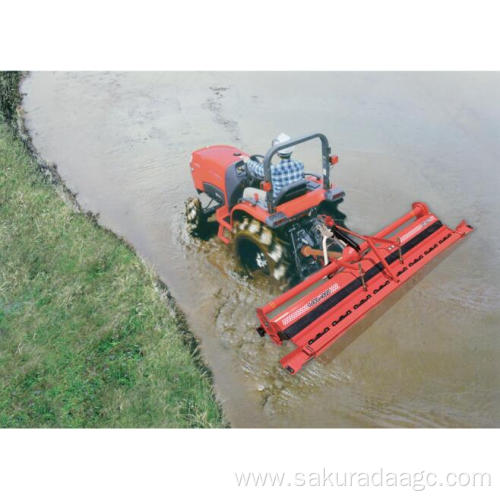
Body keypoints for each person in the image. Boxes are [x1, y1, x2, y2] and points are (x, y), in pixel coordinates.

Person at [241, 133, 305, 201]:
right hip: (294, 196)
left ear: (277, 153)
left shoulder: (273, 170)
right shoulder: (300, 165)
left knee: (246, 191)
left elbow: (257, 169)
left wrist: (248, 161)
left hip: (276, 201)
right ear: (292, 151)